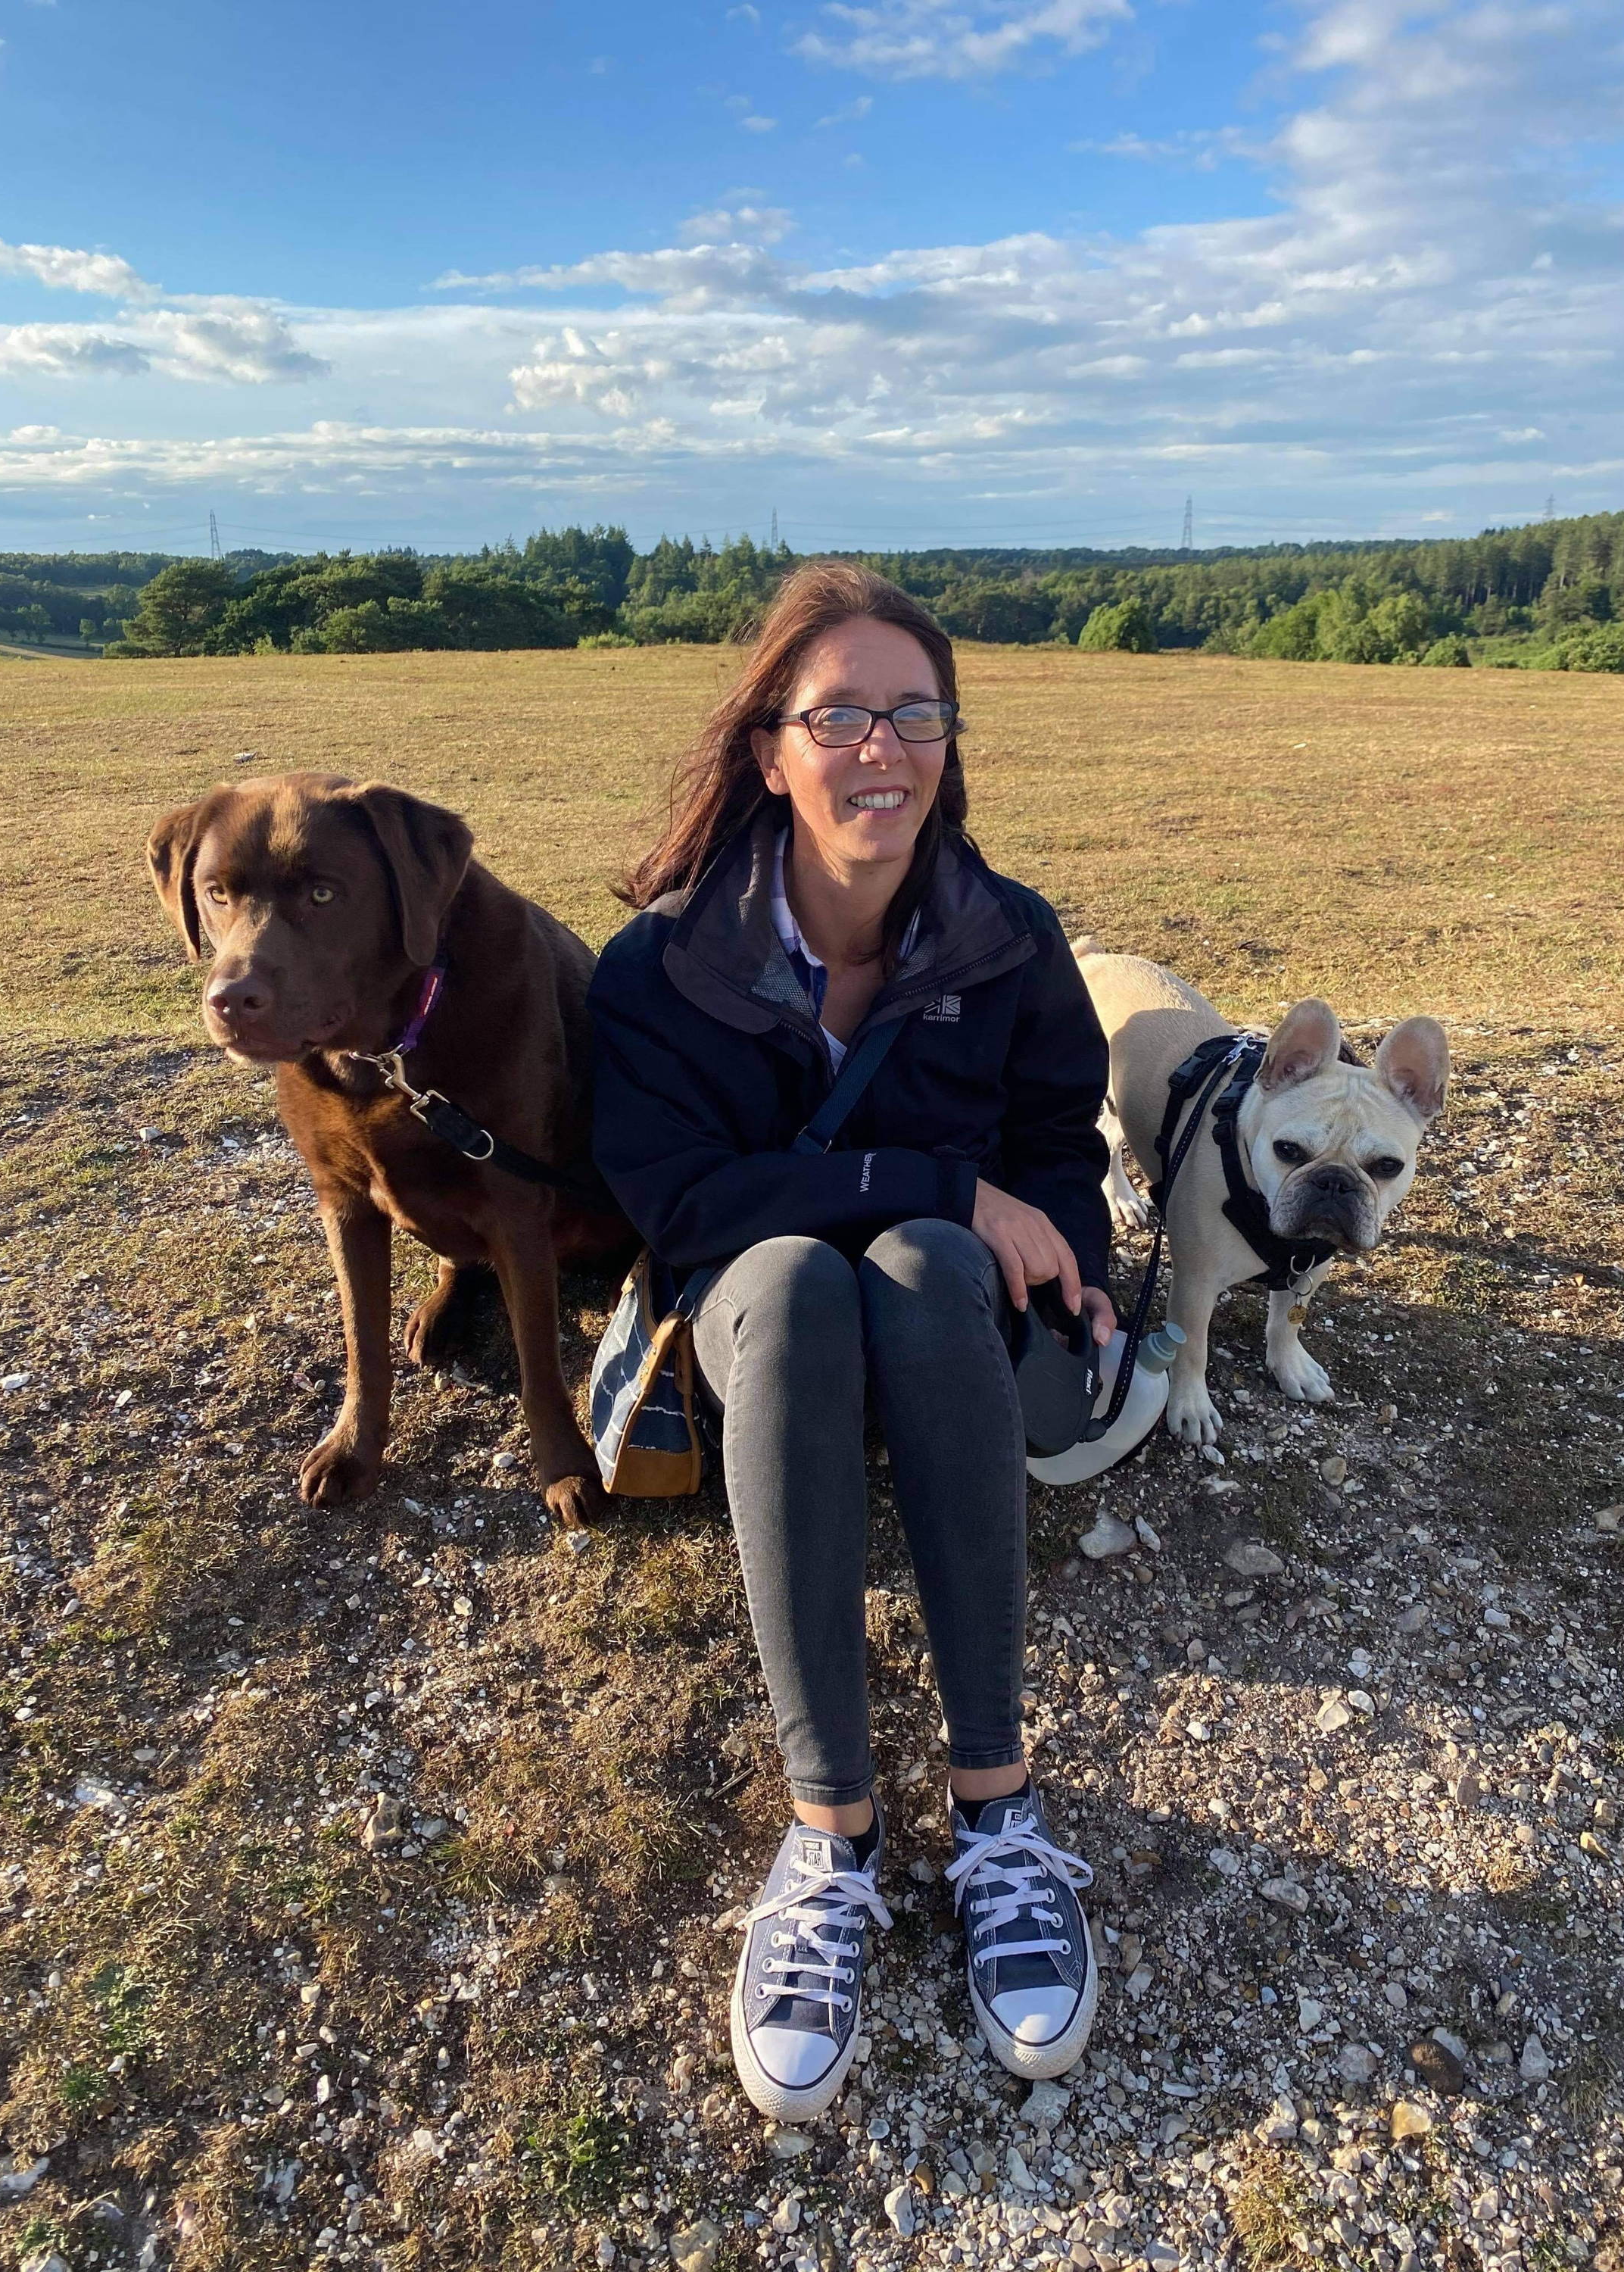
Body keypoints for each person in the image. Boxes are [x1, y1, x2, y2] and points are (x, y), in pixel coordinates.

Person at [588, 560, 1116, 2121]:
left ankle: (998, 1815)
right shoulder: (660, 969)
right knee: (813, 1276)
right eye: (841, 717)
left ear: (947, 744)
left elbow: (1063, 1150)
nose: (882, 748)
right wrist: (936, 1177)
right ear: (771, 748)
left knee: (919, 1260)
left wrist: (1068, 1260)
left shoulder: (1008, 940)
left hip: (947, 1329)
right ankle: (830, 1832)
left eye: (916, 714)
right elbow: (683, 1205)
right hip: (762, 1335)